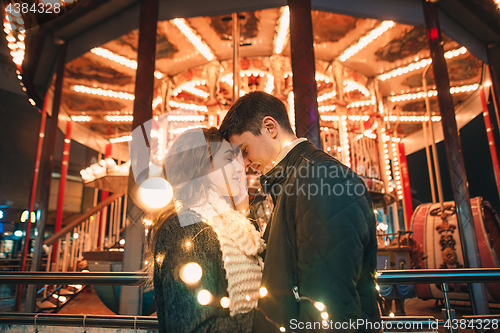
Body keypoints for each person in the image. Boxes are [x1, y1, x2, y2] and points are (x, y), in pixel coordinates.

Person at [220, 91, 380, 333]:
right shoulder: (296, 180)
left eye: (244, 149)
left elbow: (328, 301)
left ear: (270, 127)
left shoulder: (322, 177)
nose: (244, 162)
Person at [146, 127, 265, 333]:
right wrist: (272, 316)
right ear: (201, 167)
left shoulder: (236, 226)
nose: (241, 168)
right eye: (229, 160)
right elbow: (193, 327)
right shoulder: (187, 229)